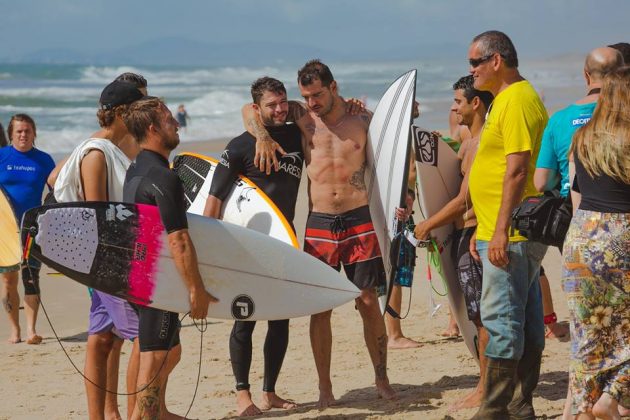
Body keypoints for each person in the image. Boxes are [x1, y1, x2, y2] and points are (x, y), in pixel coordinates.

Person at [244, 59, 396, 408]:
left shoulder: (362, 119)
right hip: (320, 224)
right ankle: (324, 388)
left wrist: (401, 198)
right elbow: (247, 110)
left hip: (359, 219)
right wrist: (263, 137)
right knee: (321, 308)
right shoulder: (301, 117)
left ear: (334, 87)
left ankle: (381, 377)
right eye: (306, 96)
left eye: (317, 95)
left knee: (369, 301)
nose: (311, 102)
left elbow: (390, 160)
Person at [205, 77, 301, 416]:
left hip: (284, 246)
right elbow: (213, 201)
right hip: (246, 248)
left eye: (282, 102)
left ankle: (270, 392)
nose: (279, 109)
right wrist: (212, 253)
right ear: (256, 109)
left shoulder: (295, 135)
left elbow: (312, 112)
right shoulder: (239, 147)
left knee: (280, 320)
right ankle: (242, 395)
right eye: (271, 105)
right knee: (244, 319)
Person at [466, 31, 549, 419]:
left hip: (511, 233)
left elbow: (517, 170)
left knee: (500, 320)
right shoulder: (510, 98)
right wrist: (484, 227)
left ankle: (495, 409)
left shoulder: (514, 99)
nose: (471, 72)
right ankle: (519, 405)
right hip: (509, 231)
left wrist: (497, 231)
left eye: (475, 63)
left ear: (496, 60)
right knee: (527, 320)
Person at [53, 79, 145, 420]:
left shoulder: (110, 148)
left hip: (106, 263)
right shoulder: (95, 154)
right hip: (109, 263)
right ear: (121, 113)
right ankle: (139, 414)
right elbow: (98, 218)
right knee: (145, 338)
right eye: (137, 109)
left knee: (102, 337)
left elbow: (53, 177)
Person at [123, 96, 217, 419]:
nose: (176, 123)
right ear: (152, 128)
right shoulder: (165, 177)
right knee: (156, 357)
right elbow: (178, 239)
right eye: (168, 119)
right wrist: (196, 289)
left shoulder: (135, 169)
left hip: (139, 275)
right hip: (158, 286)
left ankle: (155, 414)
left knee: (168, 351)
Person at [414, 75, 493, 410]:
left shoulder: (481, 143)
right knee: (479, 314)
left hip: (473, 235)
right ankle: (492, 382)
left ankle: (486, 387)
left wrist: (427, 225)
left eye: (458, 101)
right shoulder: (470, 139)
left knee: (481, 317)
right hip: (468, 234)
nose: (453, 107)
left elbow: (464, 200)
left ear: (476, 104)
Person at [535, 47, 624, 343]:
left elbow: (541, 180)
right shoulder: (622, 117)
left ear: (585, 75)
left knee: (590, 312)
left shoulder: (562, 122)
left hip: (579, 224)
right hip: (621, 219)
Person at [563, 66, 630, 420]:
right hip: (622, 234)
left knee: (588, 333)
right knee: (623, 330)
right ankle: (615, 395)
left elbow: (577, 191)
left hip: (583, 236)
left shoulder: (584, 138)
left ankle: (585, 409)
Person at [0, 114, 55, 344]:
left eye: (27, 131)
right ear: (11, 134)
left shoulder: (44, 160)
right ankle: (15, 330)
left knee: (31, 277)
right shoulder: (2, 157)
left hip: (32, 227)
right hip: (5, 229)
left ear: (34, 134)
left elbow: (56, 191)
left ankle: (31, 330)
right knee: (8, 280)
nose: (23, 135)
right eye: (19, 131)